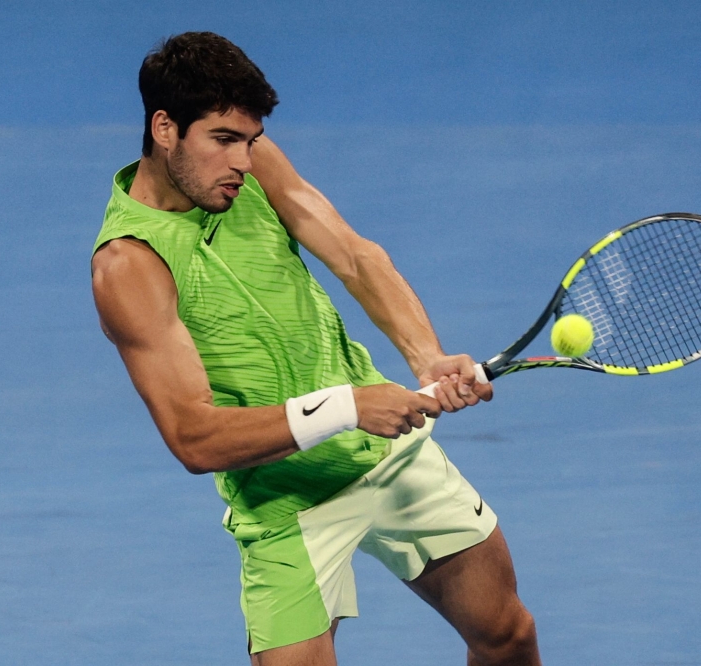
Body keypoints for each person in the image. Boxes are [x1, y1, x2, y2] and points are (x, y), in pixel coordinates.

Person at [90, 31, 541, 666]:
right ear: (165, 128)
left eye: (249, 140)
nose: (243, 161)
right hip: (283, 502)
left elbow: (355, 256)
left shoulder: (252, 167)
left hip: (387, 455)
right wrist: (347, 407)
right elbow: (195, 439)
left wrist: (425, 356)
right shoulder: (128, 265)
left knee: (508, 637)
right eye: (223, 139)